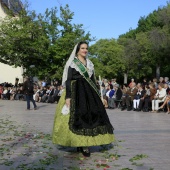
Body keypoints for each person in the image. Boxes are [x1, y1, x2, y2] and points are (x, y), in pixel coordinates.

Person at [52, 41, 114, 157]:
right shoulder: (73, 63)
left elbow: (93, 81)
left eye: (86, 48)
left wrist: (100, 97)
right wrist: (68, 97)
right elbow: (69, 80)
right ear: (78, 50)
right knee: (78, 117)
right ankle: (80, 144)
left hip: (89, 94)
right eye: (82, 48)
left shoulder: (90, 63)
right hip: (76, 92)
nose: (85, 50)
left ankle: (86, 143)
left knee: (92, 116)